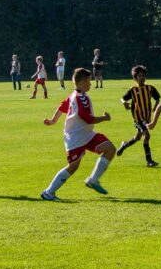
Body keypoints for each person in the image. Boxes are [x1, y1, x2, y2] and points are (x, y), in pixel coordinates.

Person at [40, 68, 116, 201]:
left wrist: (53, 120)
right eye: (89, 81)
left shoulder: (75, 94)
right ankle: (48, 192)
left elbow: (62, 107)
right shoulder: (80, 98)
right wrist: (105, 118)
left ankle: (93, 180)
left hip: (87, 134)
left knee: (110, 149)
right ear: (82, 82)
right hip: (75, 137)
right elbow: (88, 119)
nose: (90, 84)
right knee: (73, 166)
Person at [117, 65, 161, 167]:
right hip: (138, 118)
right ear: (135, 78)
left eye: (143, 75)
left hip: (147, 117)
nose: (142, 77)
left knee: (137, 138)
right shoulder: (133, 90)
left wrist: (154, 107)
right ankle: (149, 160)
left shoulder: (150, 88)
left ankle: (124, 145)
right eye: (139, 76)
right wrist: (124, 103)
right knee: (147, 136)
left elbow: (158, 98)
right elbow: (123, 98)